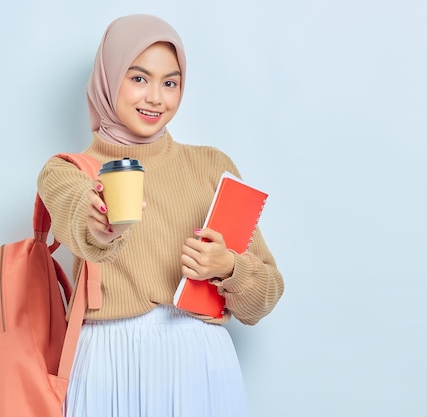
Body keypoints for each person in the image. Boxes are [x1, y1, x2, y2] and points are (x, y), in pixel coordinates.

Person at [37, 13, 284, 417]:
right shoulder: (66, 170)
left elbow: (266, 296)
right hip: (107, 365)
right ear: (107, 77)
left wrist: (229, 268)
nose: (155, 97)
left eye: (170, 82)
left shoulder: (210, 166)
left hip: (200, 363)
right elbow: (79, 216)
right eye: (138, 78)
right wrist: (102, 227)